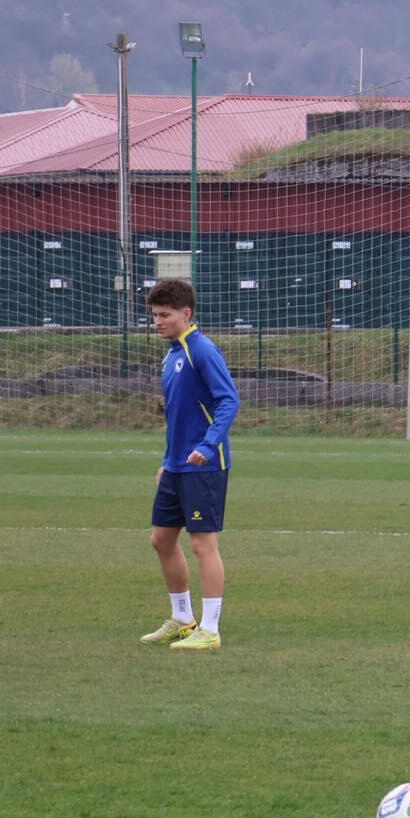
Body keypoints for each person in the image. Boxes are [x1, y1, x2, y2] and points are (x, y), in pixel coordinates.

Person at [141, 279, 240, 652]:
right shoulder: (171, 355)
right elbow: (178, 416)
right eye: (154, 315)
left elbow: (229, 400)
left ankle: (210, 630)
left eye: (164, 315)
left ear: (187, 313)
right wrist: (167, 461)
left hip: (204, 465)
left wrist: (208, 445)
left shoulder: (201, 350)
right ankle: (183, 620)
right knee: (161, 539)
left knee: (203, 545)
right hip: (177, 465)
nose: (157, 322)